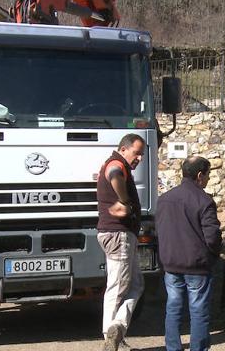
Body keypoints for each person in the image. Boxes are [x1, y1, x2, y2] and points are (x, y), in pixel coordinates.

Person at [155, 156, 221, 351]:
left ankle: (173, 348)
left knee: (173, 308)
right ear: (200, 175)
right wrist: (213, 255)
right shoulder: (204, 201)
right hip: (197, 265)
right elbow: (212, 236)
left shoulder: (164, 199)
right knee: (199, 311)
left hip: (171, 264)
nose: (208, 179)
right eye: (208, 175)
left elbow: (160, 230)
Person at [97, 133, 146, 351]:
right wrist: (125, 201)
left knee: (136, 285)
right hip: (118, 235)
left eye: (142, 154)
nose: (140, 158)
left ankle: (117, 330)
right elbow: (114, 174)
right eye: (137, 153)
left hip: (122, 234)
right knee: (118, 287)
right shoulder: (117, 162)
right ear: (124, 149)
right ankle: (110, 335)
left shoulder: (117, 163)